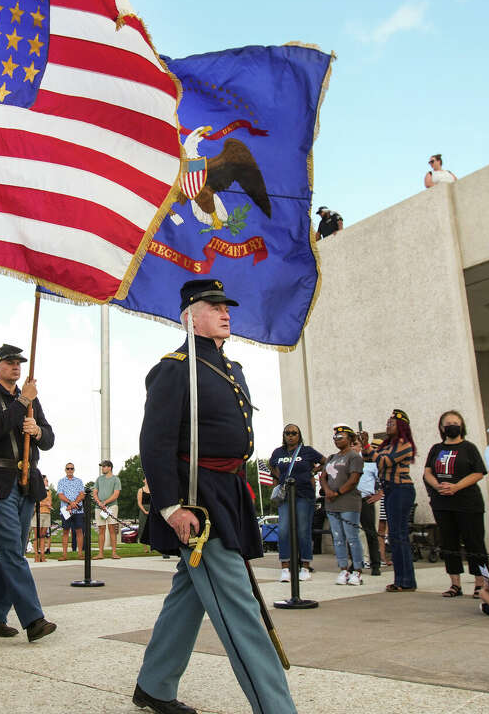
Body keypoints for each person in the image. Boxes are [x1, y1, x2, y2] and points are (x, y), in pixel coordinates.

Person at [134, 278, 295, 714]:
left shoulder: (231, 367)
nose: (226, 312)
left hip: (230, 490)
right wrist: (170, 506)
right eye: (214, 306)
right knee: (240, 607)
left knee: (188, 595)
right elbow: (156, 443)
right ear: (190, 315)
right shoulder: (174, 367)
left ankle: (154, 686)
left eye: (227, 306)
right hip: (198, 498)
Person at [0, 342, 57, 641]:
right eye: (9, 362)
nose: (15, 366)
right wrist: (23, 400)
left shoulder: (32, 401)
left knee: (9, 554)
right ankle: (33, 619)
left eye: (18, 362)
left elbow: (48, 438)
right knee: (11, 551)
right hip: (0, 481)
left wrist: (36, 430)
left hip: (27, 481)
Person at [423, 410, 488, 597]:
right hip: (443, 503)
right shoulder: (436, 449)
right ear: (442, 428)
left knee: (474, 541)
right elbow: (427, 471)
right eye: (448, 423)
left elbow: (478, 472)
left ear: (461, 426)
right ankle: (455, 583)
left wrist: (456, 486)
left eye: (455, 422)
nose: (452, 425)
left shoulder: (469, 448)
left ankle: (479, 583)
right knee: (449, 542)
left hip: (467, 502)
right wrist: (437, 486)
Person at [368, 410, 417, 592]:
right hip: (389, 490)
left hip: (401, 489)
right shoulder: (386, 445)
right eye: (387, 422)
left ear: (402, 426)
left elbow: (384, 462)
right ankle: (400, 579)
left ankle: (407, 580)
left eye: (392, 423)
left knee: (398, 535)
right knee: (394, 537)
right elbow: (371, 458)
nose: (388, 425)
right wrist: (364, 447)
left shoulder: (404, 444)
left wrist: (367, 447)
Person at [269, 423, 323, 582]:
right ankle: (285, 568)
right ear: (284, 435)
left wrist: (313, 472)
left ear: (299, 435)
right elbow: (272, 465)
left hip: (304, 495)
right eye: (287, 433)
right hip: (286, 496)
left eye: (294, 433)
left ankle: (305, 567)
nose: (290, 435)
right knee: (284, 530)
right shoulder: (278, 452)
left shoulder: (307, 451)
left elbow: (325, 461)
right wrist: (279, 478)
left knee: (303, 531)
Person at [321, 425, 365, 586]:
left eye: (341, 437)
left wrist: (338, 492)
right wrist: (327, 491)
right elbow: (323, 477)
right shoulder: (332, 457)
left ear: (350, 438)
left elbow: (353, 480)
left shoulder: (354, 457)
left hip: (348, 502)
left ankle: (358, 570)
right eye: (335, 438)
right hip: (331, 504)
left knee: (352, 537)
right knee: (338, 538)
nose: (337, 440)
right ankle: (343, 569)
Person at [357, 449, 383, 576]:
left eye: (355, 445)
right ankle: (357, 562)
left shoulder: (370, 464)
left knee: (370, 532)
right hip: (351, 501)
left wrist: (380, 493)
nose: (353, 448)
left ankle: (375, 564)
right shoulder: (348, 463)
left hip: (366, 500)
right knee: (354, 534)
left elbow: (382, 478)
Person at [93, 459, 122, 559]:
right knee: (101, 530)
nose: (102, 468)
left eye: (104, 466)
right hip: (99, 507)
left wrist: (105, 502)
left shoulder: (116, 479)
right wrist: (99, 502)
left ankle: (114, 553)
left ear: (109, 467)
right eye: (102, 466)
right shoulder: (99, 479)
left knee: (112, 529)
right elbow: (95, 492)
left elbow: (116, 494)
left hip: (112, 506)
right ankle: (100, 553)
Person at [56, 462, 85, 559]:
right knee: (65, 531)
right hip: (66, 510)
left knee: (79, 531)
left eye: (71, 468)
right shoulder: (61, 481)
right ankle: (64, 555)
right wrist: (70, 503)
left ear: (74, 470)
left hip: (78, 510)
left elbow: (82, 494)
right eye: (68, 468)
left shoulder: (79, 481)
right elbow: (60, 495)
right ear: (65, 470)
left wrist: (74, 503)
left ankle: (80, 554)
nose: (70, 470)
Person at [34, 473, 52, 559]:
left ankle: (42, 555)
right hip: (38, 514)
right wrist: (45, 503)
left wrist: (49, 505)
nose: (47, 482)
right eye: (46, 480)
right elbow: (35, 503)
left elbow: (50, 502)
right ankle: (36, 555)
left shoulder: (49, 492)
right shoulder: (37, 490)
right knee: (37, 536)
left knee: (43, 536)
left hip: (47, 514)